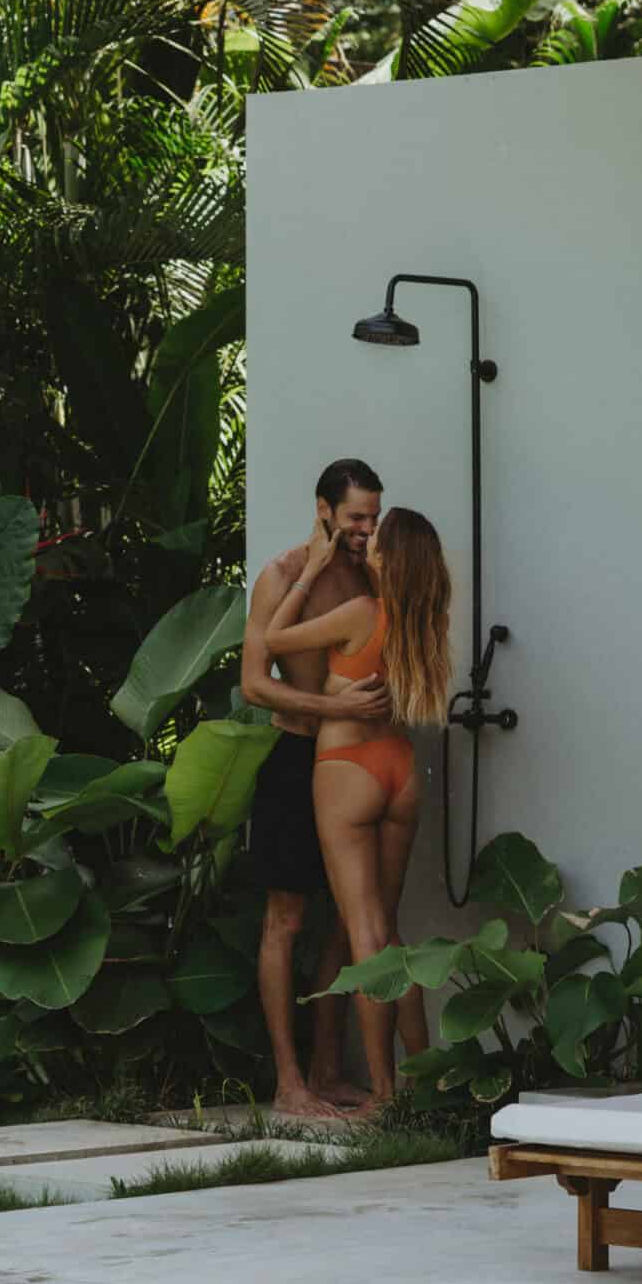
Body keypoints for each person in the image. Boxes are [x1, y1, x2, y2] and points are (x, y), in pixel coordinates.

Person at [264, 506, 449, 1109]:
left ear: (389, 557)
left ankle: (386, 1096)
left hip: (349, 771)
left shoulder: (362, 611)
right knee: (391, 933)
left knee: (366, 936)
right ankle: (425, 1082)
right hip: (401, 772)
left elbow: (273, 639)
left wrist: (306, 572)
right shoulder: (425, 622)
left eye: (378, 535)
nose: (367, 538)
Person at [241, 459, 397, 1119]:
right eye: (357, 516)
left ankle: (330, 1069)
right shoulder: (279, 577)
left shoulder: (369, 575)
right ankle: (288, 1084)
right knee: (286, 919)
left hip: (354, 761)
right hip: (295, 753)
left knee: (345, 924)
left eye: (374, 515)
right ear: (324, 510)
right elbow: (254, 683)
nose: (366, 528)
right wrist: (336, 710)